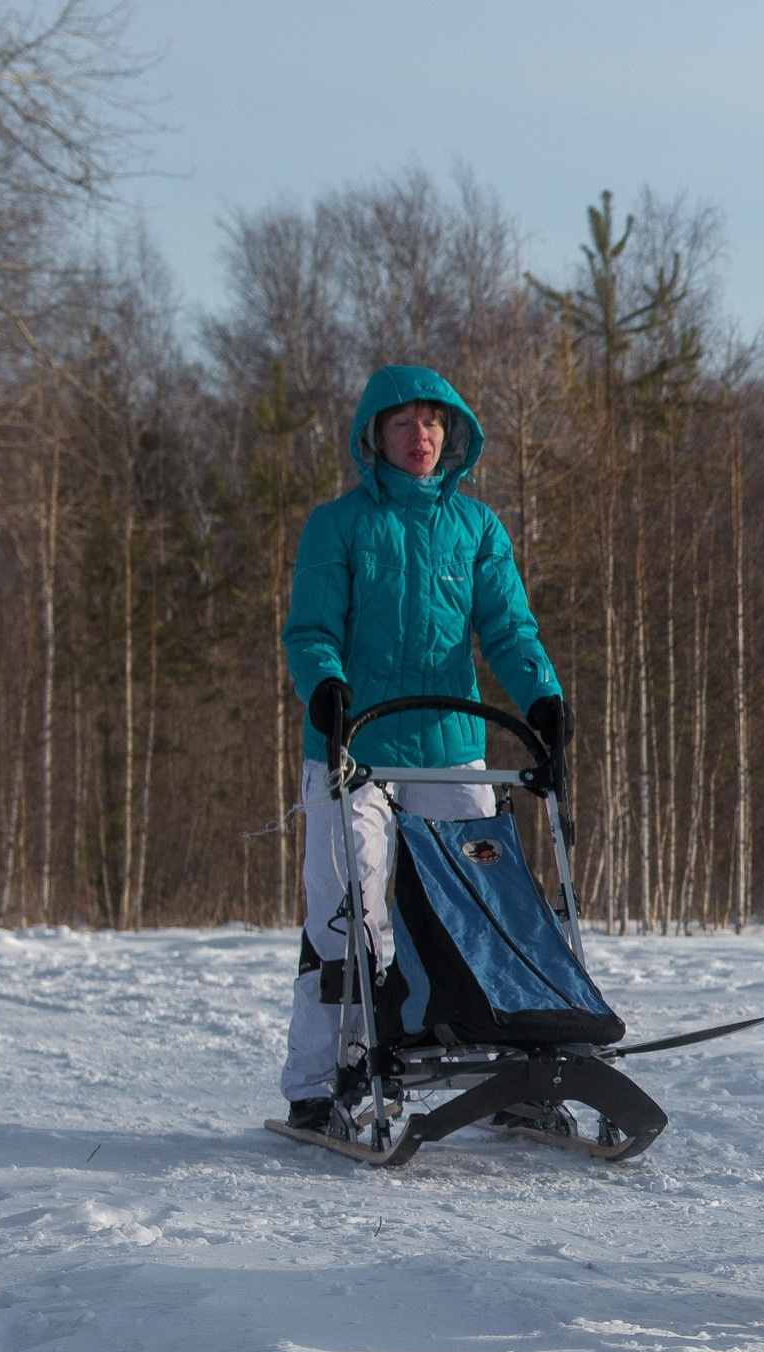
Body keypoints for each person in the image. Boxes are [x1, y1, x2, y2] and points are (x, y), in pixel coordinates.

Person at [277, 365, 572, 1132]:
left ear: (454, 433)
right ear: (374, 435)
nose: (422, 436)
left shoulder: (476, 528)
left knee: (482, 903)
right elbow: (310, 631)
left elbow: (508, 628)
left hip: (450, 743)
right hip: (353, 745)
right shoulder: (338, 525)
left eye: (434, 422)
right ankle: (325, 1077)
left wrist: (542, 696)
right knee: (349, 909)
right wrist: (325, 685)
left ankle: (508, 1060)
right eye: (404, 422)